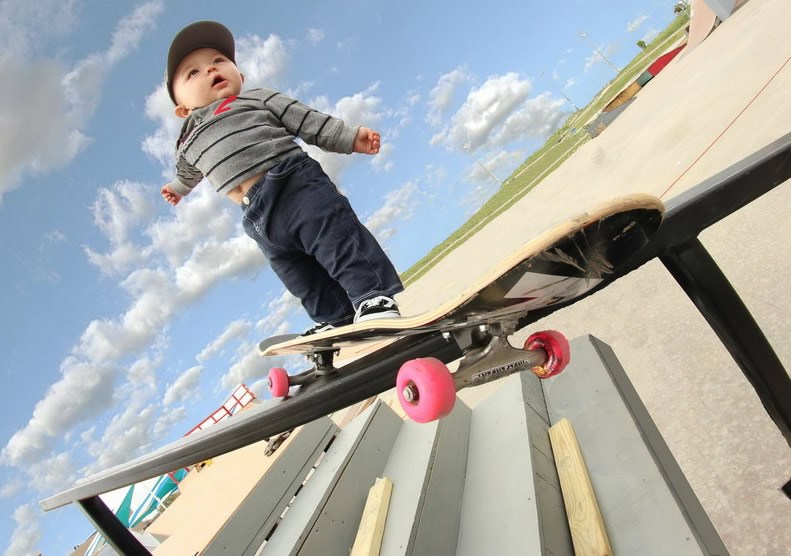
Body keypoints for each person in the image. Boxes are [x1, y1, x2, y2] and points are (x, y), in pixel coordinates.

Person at [161, 21, 403, 334]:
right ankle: (337, 318)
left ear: (240, 76)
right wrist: (177, 189)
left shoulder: (257, 99)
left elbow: (308, 121)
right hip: (256, 219)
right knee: (300, 277)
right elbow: (188, 172)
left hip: (295, 186)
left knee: (335, 239)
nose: (210, 70)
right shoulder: (188, 142)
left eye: (219, 61)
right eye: (192, 72)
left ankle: (374, 296)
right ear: (183, 109)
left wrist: (349, 138)